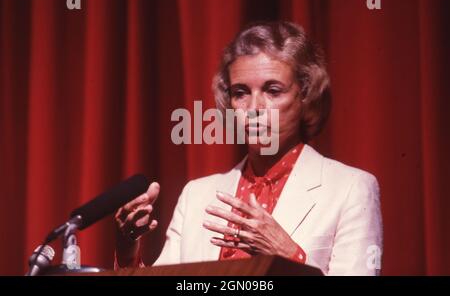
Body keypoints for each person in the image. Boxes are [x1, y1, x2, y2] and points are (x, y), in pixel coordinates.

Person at [114, 21, 383, 275]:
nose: (254, 109)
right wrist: (128, 252)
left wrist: (288, 255)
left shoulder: (351, 188)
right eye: (240, 93)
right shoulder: (196, 195)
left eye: (273, 90)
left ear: (305, 96)